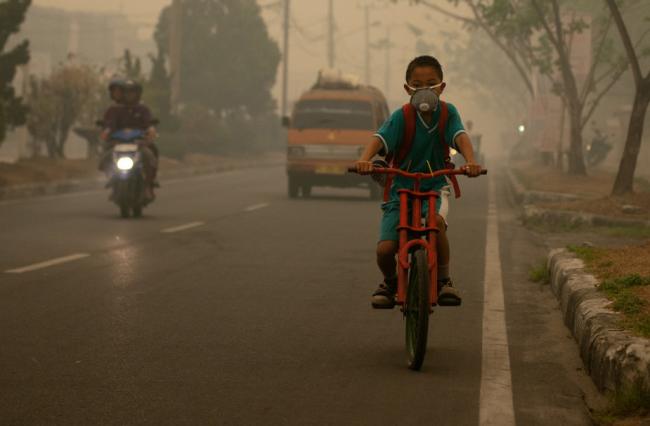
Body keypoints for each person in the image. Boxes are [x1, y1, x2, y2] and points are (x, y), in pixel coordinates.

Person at [355, 55, 482, 309]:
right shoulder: (401, 116)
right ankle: (390, 282)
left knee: (436, 224)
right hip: (399, 189)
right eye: (417, 84)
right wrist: (364, 159)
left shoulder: (448, 113)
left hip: (435, 186)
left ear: (441, 87)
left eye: (431, 83)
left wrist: (471, 161)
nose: (424, 90)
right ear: (407, 89)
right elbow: (379, 139)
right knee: (385, 250)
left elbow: (460, 137)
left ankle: (444, 279)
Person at [100, 80, 159, 200]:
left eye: (133, 92)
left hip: (139, 143)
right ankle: (112, 179)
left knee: (150, 155)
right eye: (127, 93)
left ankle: (148, 185)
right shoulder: (114, 109)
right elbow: (109, 124)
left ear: (138, 94)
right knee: (105, 156)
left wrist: (151, 129)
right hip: (117, 143)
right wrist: (106, 131)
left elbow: (149, 123)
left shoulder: (143, 109)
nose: (129, 95)